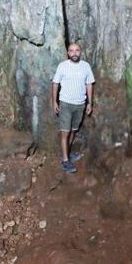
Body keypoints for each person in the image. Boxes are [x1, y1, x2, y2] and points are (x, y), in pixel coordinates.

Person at [51, 42, 95, 173]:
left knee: (74, 130)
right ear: (68, 53)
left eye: (77, 50)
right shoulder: (63, 66)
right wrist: (54, 102)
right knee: (65, 132)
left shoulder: (86, 66)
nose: (74, 53)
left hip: (80, 104)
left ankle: (68, 154)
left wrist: (90, 103)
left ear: (80, 52)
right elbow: (55, 84)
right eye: (71, 51)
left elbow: (89, 84)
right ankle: (65, 160)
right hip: (66, 103)